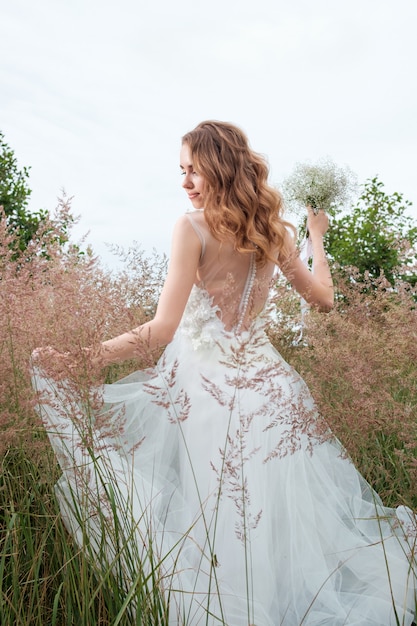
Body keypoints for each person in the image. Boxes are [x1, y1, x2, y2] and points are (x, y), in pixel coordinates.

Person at [33, 121, 416, 625]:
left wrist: (84, 359)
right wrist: (316, 238)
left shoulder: (190, 228)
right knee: (268, 516)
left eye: (194, 169)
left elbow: (163, 330)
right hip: (272, 390)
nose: (186, 182)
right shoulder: (277, 232)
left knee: (219, 514)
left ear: (220, 167)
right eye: (182, 171)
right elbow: (324, 298)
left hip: (207, 391)